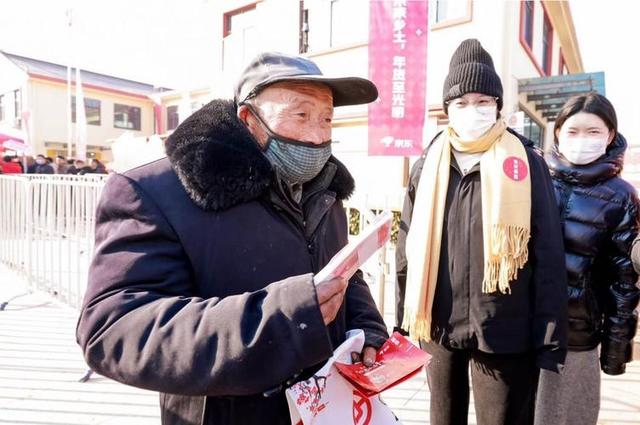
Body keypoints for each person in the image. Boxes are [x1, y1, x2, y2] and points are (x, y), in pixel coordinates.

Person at [76, 52, 388, 425]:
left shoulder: (323, 190)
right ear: (248, 119)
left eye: (326, 119)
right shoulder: (155, 193)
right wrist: (285, 318)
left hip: (326, 408)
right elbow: (113, 329)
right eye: (301, 115)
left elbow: (342, 273)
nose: (318, 136)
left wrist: (365, 326)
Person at [395, 39, 568, 425]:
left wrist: (550, 337)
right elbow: (406, 243)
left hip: (506, 330)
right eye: (461, 102)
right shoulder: (429, 163)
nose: (472, 110)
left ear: (497, 105)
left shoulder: (524, 161)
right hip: (438, 327)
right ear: (447, 110)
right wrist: (403, 319)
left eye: (482, 101)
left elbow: (548, 254)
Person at [535, 93, 640, 425]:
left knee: (570, 417)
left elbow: (624, 281)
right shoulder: (534, 177)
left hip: (577, 338)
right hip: (524, 329)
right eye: (573, 130)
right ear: (558, 133)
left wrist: (615, 351)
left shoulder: (621, 196)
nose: (582, 139)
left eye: (593, 132)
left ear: (610, 136)